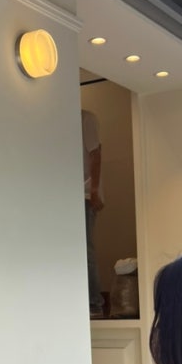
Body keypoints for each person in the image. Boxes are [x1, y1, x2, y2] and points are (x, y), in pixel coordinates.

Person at [82, 109, 105, 318]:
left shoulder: (85, 118)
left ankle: (94, 303)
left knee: (85, 248)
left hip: (85, 194)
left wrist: (94, 191)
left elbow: (95, 154)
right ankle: (87, 301)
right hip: (73, 195)